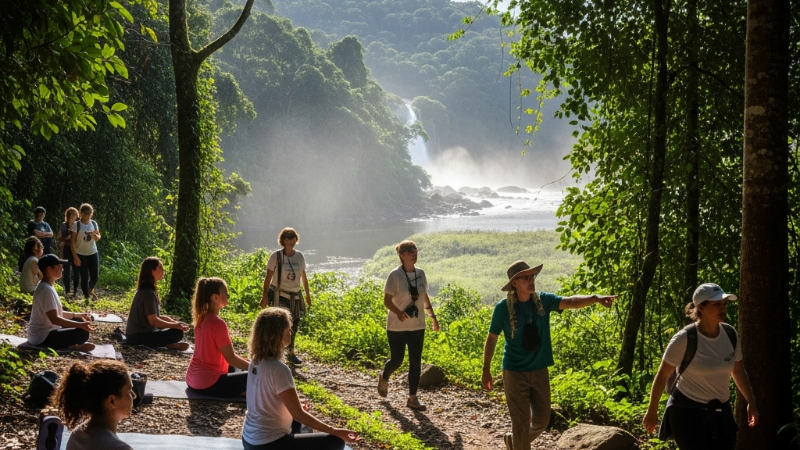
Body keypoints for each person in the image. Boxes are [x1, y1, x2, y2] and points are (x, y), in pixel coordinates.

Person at [481, 260, 616, 450]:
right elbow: (492, 338)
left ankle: (515, 442)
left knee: (542, 420)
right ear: (514, 283)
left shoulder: (543, 301)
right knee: (520, 423)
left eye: (532, 276)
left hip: (539, 369)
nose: (531, 280)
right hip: (514, 372)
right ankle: (519, 442)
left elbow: (571, 302)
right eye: (525, 278)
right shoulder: (502, 308)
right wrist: (486, 368)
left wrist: (595, 298)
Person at [642, 283, 758, 449]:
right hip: (687, 414)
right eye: (717, 304)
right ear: (700, 307)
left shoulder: (730, 334)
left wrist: (751, 403)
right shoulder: (684, 339)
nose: (723, 308)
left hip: (721, 413)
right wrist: (652, 411)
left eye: (724, 304)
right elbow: (662, 375)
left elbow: (738, 370)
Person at [241, 307, 359, 449]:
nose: (291, 332)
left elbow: (264, 400)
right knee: (335, 442)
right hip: (267, 444)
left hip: (248, 440)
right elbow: (298, 414)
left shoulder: (256, 360)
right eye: (288, 328)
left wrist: (293, 406)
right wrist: (334, 431)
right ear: (276, 333)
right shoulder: (279, 369)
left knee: (300, 425)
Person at [377, 240, 439, 411]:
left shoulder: (421, 274)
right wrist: (399, 312)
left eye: (415, 250)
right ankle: (384, 376)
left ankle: (412, 397)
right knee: (397, 360)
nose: (414, 253)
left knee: (415, 362)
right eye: (410, 251)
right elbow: (387, 301)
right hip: (397, 326)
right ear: (402, 255)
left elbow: (424, 297)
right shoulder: (394, 275)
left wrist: (433, 318)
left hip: (417, 325)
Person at [186, 277, 250, 397]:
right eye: (225, 293)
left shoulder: (201, 318)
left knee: (240, 368)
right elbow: (231, 358)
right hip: (209, 384)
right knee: (255, 375)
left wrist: (247, 364)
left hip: (192, 381)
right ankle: (243, 392)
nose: (228, 296)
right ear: (215, 297)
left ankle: (242, 391)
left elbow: (227, 359)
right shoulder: (218, 324)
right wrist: (255, 367)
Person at [51, 360, 135, 450]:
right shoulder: (120, 448)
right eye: (129, 391)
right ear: (112, 401)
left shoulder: (77, 435)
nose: (134, 396)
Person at [259, 228, 311, 365]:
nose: (292, 241)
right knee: (280, 324)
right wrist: (264, 296)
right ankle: (276, 351)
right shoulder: (276, 256)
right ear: (283, 240)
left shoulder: (300, 256)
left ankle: (291, 352)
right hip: (280, 294)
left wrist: (307, 295)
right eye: (288, 238)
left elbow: (303, 277)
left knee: (295, 323)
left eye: (293, 238)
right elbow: (268, 277)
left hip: (295, 296)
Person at [27, 254, 95, 352]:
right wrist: (80, 325)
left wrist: (77, 315)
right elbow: (55, 319)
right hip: (42, 338)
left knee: (80, 320)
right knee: (82, 332)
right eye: (58, 266)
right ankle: (74, 347)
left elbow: (57, 313)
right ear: (48, 269)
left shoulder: (48, 286)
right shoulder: (46, 290)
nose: (61, 268)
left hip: (50, 330)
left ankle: (74, 345)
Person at [126, 257, 190, 350]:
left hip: (138, 334)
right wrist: (175, 325)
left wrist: (173, 322)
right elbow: (154, 321)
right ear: (152, 271)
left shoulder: (148, 290)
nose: (163, 270)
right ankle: (167, 344)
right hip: (137, 337)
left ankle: (166, 343)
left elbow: (154, 317)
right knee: (177, 333)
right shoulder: (148, 293)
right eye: (160, 267)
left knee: (177, 329)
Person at [71, 203, 101, 301]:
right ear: (81, 213)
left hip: (93, 252)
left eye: (89, 213)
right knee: (84, 277)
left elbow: (98, 237)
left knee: (95, 276)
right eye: (85, 213)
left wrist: (95, 236)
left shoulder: (94, 223)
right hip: (81, 254)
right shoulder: (77, 225)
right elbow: (72, 243)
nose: (87, 215)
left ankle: (90, 289)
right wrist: (75, 257)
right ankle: (87, 297)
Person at [58, 207, 80, 297]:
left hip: (76, 249)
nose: (71, 215)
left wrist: (73, 237)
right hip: (66, 248)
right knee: (66, 270)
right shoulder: (64, 225)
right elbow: (58, 236)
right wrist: (65, 238)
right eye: (69, 214)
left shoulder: (78, 225)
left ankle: (74, 291)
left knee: (76, 270)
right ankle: (67, 291)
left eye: (73, 213)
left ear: (76, 215)